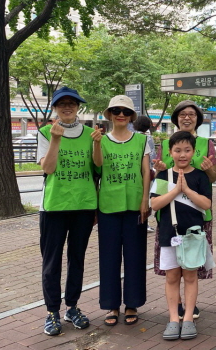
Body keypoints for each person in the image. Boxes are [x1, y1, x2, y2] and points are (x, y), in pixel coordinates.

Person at [36, 86, 96, 336]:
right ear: (55, 108)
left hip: (83, 206)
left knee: (77, 260)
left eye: (72, 103)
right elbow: (48, 168)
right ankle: (52, 312)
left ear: (78, 106)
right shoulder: (45, 132)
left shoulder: (92, 134)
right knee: (51, 262)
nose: (67, 107)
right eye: (62, 103)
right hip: (54, 207)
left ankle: (72, 307)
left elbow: (98, 169)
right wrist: (56, 139)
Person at [152, 100, 216, 320]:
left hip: (195, 215)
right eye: (182, 114)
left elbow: (212, 179)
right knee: (172, 269)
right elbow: (159, 182)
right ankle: (176, 307)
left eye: (192, 114)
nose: (187, 118)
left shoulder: (207, 144)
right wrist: (160, 171)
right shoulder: (164, 145)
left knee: (191, 265)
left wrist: (208, 173)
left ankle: (189, 308)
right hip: (169, 217)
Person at [93, 95, 152, 327]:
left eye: (126, 112)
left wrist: (145, 199)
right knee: (109, 256)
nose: (121, 114)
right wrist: (96, 143)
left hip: (135, 205)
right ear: (109, 114)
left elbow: (146, 171)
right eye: (116, 110)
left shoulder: (141, 140)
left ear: (131, 117)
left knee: (135, 256)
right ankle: (111, 304)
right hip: (108, 205)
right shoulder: (100, 140)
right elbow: (97, 165)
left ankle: (132, 303)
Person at [132, 116, 157, 232]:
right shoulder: (149, 138)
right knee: (146, 198)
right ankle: (144, 223)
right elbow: (152, 157)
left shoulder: (131, 137)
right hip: (147, 173)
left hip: (133, 174)